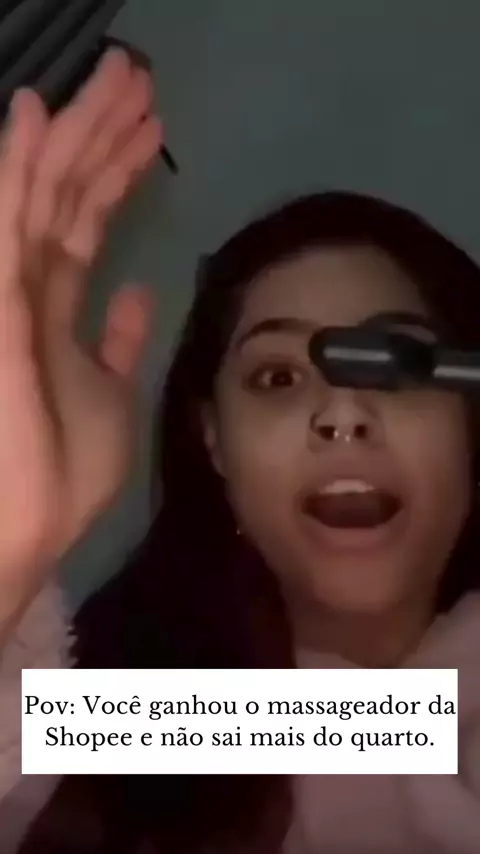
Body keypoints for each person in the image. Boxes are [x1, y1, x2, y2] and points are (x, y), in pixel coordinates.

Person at [0, 46, 479, 854]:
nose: (343, 413)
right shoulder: (134, 730)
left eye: (398, 364)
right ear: (213, 442)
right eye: (277, 376)